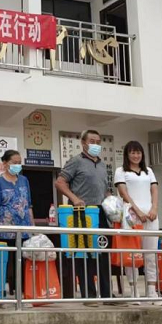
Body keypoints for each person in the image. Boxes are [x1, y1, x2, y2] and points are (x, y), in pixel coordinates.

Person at [54, 129, 118, 305]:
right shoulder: (76, 161)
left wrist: (112, 204)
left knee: (103, 253)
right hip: (82, 213)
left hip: (101, 212)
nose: (95, 145)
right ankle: (88, 294)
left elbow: (105, 189)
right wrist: (74, 199)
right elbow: (60, 182)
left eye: (98, 142)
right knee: (85, 255)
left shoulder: (103, 165)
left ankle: (107, 294)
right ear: (83, 143)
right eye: (92, 141)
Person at [114, 141, 160, 303]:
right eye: (132, 152)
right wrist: (137, 211)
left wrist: (154, 208)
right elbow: (123, 193)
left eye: (138, 152)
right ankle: (134, 291)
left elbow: (154, 190)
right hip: (131, 217)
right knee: (132, 254)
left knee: (151, 253)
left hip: (150, 216)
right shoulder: (121, 171)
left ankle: (152, 291)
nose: (136, 155)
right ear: (127, 154)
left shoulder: (149, 171)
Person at [0, 149, 34, 299]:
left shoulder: (24, 180)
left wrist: (33, 228)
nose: (17, 165)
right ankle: (1, 292)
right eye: (14, 162)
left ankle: (23, 293)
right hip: (6, 230)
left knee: (23, 261)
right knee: (6, 262)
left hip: (24, 229)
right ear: (5, 163)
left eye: (19, 163)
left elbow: (29, 205)